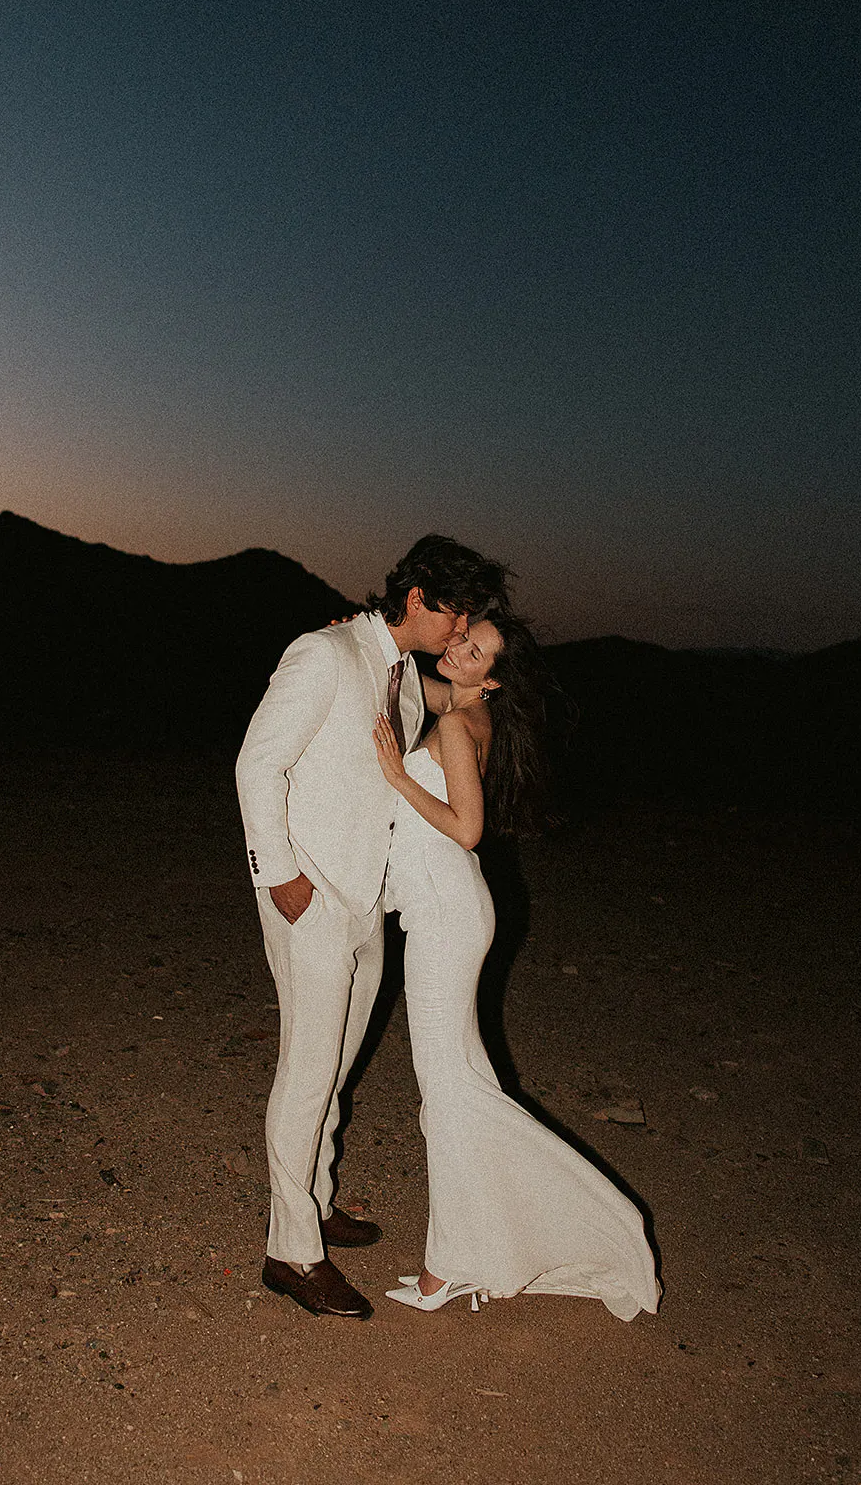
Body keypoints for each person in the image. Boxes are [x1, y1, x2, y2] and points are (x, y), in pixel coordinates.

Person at [235, 536, 511, 1319]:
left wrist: (485, 686)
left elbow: (458, 711)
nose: (460, 631)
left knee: (339, 1065)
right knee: (306, 1072)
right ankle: (292, 1252)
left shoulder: (403, 677)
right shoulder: (322, 655)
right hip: (309, 895)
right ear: (419, 597)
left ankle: (314, 1199)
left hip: (368, 903)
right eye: (456, 612)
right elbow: (257, 765)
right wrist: (280, 877)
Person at [373, 610, 660, 1318]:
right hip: (445, 911)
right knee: (457, 1089)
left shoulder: (455, 726)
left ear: (491, 677)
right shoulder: (462, 711)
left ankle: (466, 1265)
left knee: (450, 1097)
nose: (459, 651)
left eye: (475, 652)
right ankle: (463, 1257)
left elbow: (466, 830)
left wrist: (392, 774)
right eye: (462, 639)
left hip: (445, 911)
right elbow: (407, 681)